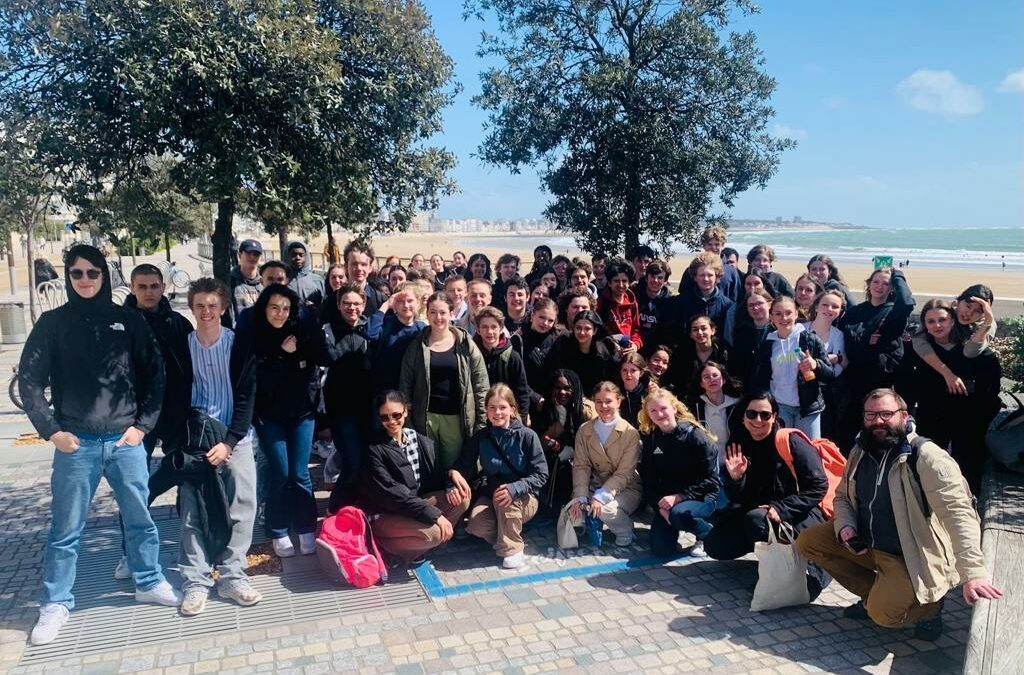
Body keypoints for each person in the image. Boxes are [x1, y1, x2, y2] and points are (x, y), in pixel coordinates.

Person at [19, 245, 180, 645]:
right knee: (65, 530)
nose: (86, 280)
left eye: (93, 272)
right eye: (77, 274)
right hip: (77, 446)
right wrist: (51, 431)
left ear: (104, 275)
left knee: (141, 519)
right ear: (68, 277)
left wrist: (142, 427)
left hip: (125, 442)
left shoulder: (126, 320)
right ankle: (56, 602)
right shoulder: (53, 324)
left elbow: (155, 374)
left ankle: (148, 580)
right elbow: (30, 380)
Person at [796, 389, 1002, 641]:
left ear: (904, 416)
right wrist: (845, 527)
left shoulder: (927, 458)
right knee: (809, 541)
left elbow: (959, 516)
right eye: (871, 415)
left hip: (908, 554)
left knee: (883, 615)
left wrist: (973, 573)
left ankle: (929, 610)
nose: (878, 421)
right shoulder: (860, 450)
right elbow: (841, 496)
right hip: (867, 544)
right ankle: (873, 597)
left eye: (886, 414)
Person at [177, 278, 261, 616]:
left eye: (213, 305)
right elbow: (176, 395)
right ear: (192, 308)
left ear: (224, 308)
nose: (206, 311)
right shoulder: (182, 346)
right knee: (192, 511)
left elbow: (246, 397)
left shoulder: (239, 344)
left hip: (235, 437)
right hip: (196, 438)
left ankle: (231, 576)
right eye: (200, 305)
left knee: (242, 506)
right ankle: (195, 581)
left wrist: (229, 442)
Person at [704, 393, 830, 599]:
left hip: (801, 514)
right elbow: (739, 497)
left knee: (755, 520)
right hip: (761, 512)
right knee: (716, 544)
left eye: (765, 415)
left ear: (774, 417)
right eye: (752, 414)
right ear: (743, 417)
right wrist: (736, 479)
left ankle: (813, 572)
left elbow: (818, 485)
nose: (758, 421)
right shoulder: (739, 443)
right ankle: (776, 558)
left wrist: (782, 508)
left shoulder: (790, 440)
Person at [342, 391, 471, 562]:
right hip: (384, 512)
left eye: (396, 415)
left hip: (412, 505)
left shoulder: (418, 440)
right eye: (384, 417)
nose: (391, 422)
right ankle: (386, 547)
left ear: (405, 411)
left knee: (461, 498)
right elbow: (393, 494)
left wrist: (451, 476)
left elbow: (435, 476)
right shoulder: (374, 448)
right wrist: (435, 516)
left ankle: (419, 545)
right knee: (434, 533)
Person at [250, 284, 330, 558]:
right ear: (265, 308)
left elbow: (325, 357)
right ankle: (279, 529)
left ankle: (306, 527)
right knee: (280, 473)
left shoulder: (302, 329)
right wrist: (282, 355)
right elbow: (256, 380)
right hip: (269, 416)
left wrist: (313, 326)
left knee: (300, 474)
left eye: (285, 308)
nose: (280, 313)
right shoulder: (256, 333)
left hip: (302, 414)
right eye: (274, 307)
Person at [452, 384, 549, 569]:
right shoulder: (482, 437)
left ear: (512, 409)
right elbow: (464, 464)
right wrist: (454, 474)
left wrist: (515, 488)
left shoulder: (527, 436)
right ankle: (510, 533)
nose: (497, 413)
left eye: (503, 407)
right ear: (486, 410)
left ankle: (512, 549)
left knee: (505, 497)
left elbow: (541, 474)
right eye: (492, 407)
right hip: (492, 492)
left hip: (524, 495)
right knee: (476, 525)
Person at [912, 300, 1001, 492]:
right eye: (931, 321)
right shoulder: (922, 347)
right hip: (933, 413)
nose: (937, 325)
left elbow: (991, 385)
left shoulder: (971, 348)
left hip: (968, 414)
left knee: (968, 464)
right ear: (925, 324)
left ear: (952, 321)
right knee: (929, 461)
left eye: (942, 320)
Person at [400, 292, 489, 471]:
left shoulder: (465, 343)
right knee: (430, 468)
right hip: (425, 417)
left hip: (455, 418)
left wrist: (482, 419)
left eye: (442, 312)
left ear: (451, 313)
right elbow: (406, 383)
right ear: (427, 313)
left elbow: (480, 384)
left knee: (453, 468)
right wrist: (406, 418)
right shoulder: (417, 345)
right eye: (433, 312)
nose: (438, 317)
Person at [639, 389, 720, 557]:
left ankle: (706, 534)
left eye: (663, 408)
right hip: (668, 502)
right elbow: (648, 480)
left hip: (701, 497)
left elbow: (711, 481)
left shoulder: (696, 436)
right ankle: (679, 523)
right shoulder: (653, 440)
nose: (659, 414)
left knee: (679, 515)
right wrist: (659, 508)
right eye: (653, 411)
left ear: (674, 408)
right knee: (661, 550)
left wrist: (679, 497)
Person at [561, 382, 643, 547]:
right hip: (595, 484)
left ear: (618, 402)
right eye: (598, 401)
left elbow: (624, 474)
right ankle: (593, 522)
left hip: (626, 487)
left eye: (608, 401)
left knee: (606, 510)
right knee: (575, 510)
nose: (603, 406)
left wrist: (600, 497)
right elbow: (581, 466)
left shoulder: (630, 433)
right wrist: (581, 497)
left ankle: (625, 529)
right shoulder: (585, 430)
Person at [841, 267, 915, 449]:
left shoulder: (892, 311)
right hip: (853, 379)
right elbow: (846, 340)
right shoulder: (855, 312)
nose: (880, 287)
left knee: (877, 428)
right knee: (849, 430)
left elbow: (906, 303)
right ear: (868, 284)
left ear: (892, 288)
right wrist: (867, 340)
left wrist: (898, 275)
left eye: (886, 283)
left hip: (880, 379)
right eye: (876, 282)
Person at [750, 295, 835, 439]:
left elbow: (829, 375)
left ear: (796, 313)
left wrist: (816, 365)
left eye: (788, 313)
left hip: (808, 407)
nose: (784, 318)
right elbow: (761, 377)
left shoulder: (810, 339)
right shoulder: (768, 344)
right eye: (778, 314)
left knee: (810, 451)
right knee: (783, 452)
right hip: (780, 406)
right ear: (771, 317)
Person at [322, 282, 372, 502]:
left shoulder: (371, 329)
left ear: (364, 304)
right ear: (338, 304)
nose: (352, 308)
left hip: (368, 408)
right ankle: (335, 506)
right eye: (347, 303)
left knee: (366, 462)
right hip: (340, 410)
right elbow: (320, 372)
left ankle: (357, 509)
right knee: (351, 461)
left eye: (357, 304)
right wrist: (322, 418)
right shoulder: (328, 330)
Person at [659, 252, 734, 354]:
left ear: (717, 277)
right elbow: (671, 333)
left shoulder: (727, 305)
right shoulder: (680, 302)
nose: (706, 279)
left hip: (715, 359)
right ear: (695, 277)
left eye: (710, 275)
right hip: (685, 357)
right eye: (702, 275)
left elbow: (727, 339)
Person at [804, 289, 848, 441]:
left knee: (822, 435)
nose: (829, 309)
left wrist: (821, 363)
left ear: (840, 312)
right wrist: (830, 358)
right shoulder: (801, 329)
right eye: (825, 305)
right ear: (816, 306)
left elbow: (840, 367)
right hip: (798, 389)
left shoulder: (838, 335)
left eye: (835, 306)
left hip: (824, 393)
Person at [367, 284, 426, 394]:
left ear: (418, 303)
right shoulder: (386, 324)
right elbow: (370, 333)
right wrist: (386, 305)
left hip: (412, 389)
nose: (406, 305)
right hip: (386, 389)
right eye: (400, 301)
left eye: (410, 301)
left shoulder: (422, 328)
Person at [473, 306, 532, 416]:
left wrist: (522, 417)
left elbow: (522, 392)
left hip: (505, 415)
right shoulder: (472, 355)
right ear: (478, 330)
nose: (489, 331)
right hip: (479, 414)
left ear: (501, 328)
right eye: (484, 327)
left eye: (494, 327)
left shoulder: (512, 357)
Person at [544, 310, 617, 395]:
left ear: (595, 331)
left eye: (587, 329)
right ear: (573, 328)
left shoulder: (605, 351)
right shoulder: (564, 346)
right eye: (578, 328)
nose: (582, 332)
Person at [689, 361, 741, 458]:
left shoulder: (737, 405)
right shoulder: (694, 407)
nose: (711, 379)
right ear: (701, 383)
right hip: (706, 461)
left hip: (733, 461)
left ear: (723, 380)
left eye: (715, 375)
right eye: (706, 377)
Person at [518, 297, 561, 407]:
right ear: (532, 315)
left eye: (550, 320)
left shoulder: (558, 341)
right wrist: (535, 397)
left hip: (553, 401)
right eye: (542, 317)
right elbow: (516, 376)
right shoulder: (519, 340)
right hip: (526, 402)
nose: (545, 323)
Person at [728, 288, 773, 385]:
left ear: (769, 304)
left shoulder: (778, 330)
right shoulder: (741, 332)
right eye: (751, 305)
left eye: (759, 303)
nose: (755, 308)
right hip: (750, 386)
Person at [597, 258, 643, 352]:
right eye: (616, 281)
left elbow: (636, 330)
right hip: (608, 351)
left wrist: (635, 345)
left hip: (628, 351)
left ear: (629, 282)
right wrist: (609, 343)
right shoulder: (601, 302)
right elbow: (596, 330)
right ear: (609, 283)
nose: (621, 285)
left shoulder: (632, 302)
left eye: (624, 281)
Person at [699, 225, 743, 301]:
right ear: (704, 246)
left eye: (717, 244)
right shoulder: (695, 268)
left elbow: (737, 298)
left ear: (722, 246)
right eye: (710, 244)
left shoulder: (731, 272)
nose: (713, 248)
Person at [635, 259, 671, 348]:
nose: (655, 280)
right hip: (635, 345)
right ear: (646, 277)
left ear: (665, 281)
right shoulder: (634, 295)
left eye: (660, 278)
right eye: (652, 276)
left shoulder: (670, 302)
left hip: (657, 349)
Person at [345, 239, 387, 316]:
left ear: (370, 268)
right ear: (345, 266)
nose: (359, 268)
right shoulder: (333, 300)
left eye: (363, 264)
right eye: (354, 264)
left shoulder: (380, 300)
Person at [285, 241, 325, 308]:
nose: (298, 258)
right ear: (287, 257)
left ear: (306, 257)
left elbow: (323, 305)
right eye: (293, 255)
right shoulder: (282, 280)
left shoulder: (317, 280)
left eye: (301, 255)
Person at [617, 353, 652, 428]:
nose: (628, 374)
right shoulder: (615, 393)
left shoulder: (649, 392)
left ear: (641, 373)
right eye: (624, 370)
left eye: (633, 370)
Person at [229, 239, 264, 314]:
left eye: (256, 254)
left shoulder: (265, 281)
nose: (252, 257)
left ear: (260, 257)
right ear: (239, 255)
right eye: (248, 253)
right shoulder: (230, 281)